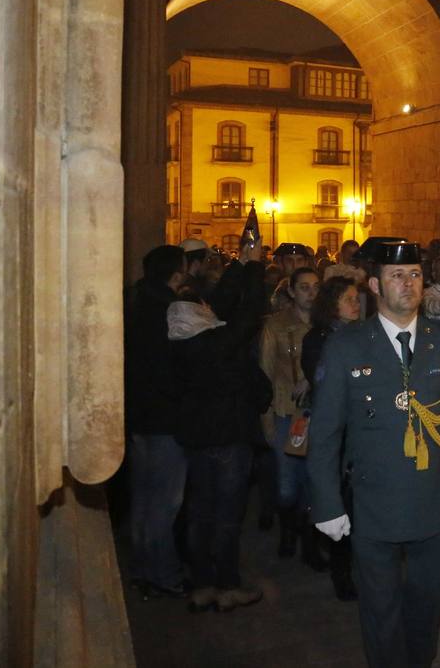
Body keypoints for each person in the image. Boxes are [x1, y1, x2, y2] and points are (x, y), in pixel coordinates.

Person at [308, 242, 440, 668]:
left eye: (413, 274)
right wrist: (328, 504)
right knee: (380, 610)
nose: (406, 284)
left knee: (430, 605)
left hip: (434, 501)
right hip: (374, 503)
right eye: (396, 275)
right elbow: (325, 434)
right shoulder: (347, 345)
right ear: (374, 285)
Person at [171, 238, 272, 612]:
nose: (209, 307)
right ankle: (227, 586)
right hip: (228, 436)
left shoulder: (181, 337)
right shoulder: (215, 342)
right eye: (204, 304)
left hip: (196, 438)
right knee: (228, 515)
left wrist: (242, 265)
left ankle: (201, 585)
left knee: (200, 512)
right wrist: (255, 269)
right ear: (198, 309)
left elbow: (226, 306)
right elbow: (246, 317)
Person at [124, 244, 188, 599]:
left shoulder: (135, 304)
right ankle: (163, 573)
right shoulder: (168, 311)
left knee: (144, 499)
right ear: (176, 275)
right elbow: (174, 369)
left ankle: (141, 570)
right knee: (165, 503)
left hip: (139, 417)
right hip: (165, 419)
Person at [301, 274, 362, 602]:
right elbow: (324, 385)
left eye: (357, 298)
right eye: (349, 299)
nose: (356, 304)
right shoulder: (318, 339)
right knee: (340, 502)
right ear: (332, 305)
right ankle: (340, 571)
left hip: (362, 434)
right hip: (336, 435)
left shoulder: (365, 336)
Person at [259, 265, 320, 565]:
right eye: (304, 287)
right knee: (287, 486)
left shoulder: (326, 326)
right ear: (292, 292)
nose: (311, 293)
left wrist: (311, 376)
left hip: (317, 413)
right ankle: (288, 528)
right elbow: (265, 372)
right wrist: (267, 417)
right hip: (285, 410)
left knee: (313, 480)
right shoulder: (276, 325)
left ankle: (308, 543)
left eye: (315, 286)